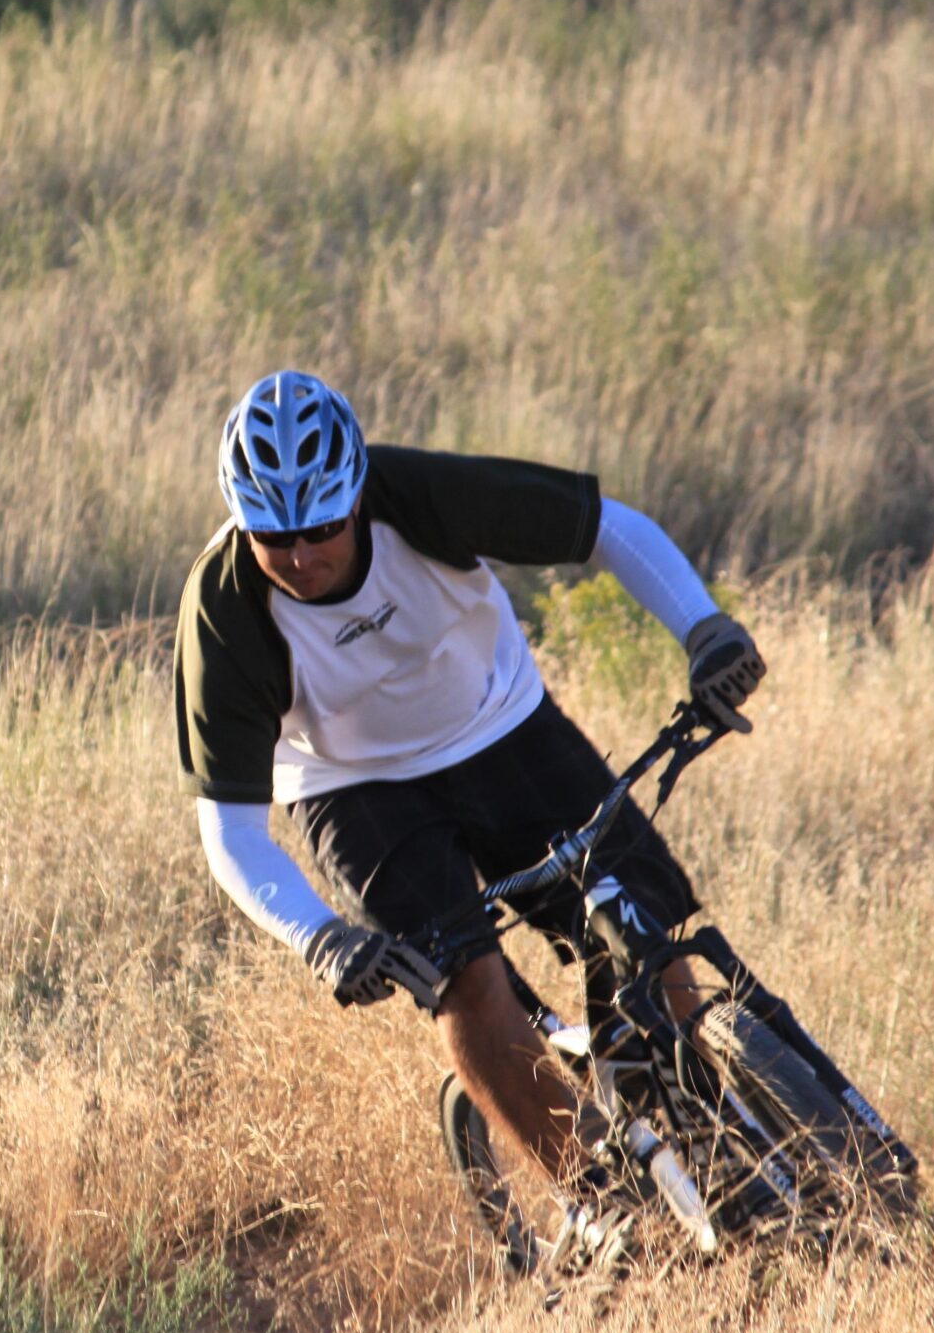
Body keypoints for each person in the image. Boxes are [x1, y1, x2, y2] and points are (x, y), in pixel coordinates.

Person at [175, 369, 768, 1253]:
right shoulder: (223, 607)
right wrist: (322, 935)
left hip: (502, 728)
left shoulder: (420, 495)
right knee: (467, 978)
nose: (301, 555)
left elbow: (606, 529)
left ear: (357, 493)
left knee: (652, 933)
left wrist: (706, 630)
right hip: (354, 786)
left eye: (323, 528)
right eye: (274, 535)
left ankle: (716, 1145)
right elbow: (228, 832)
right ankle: (604, 1208)